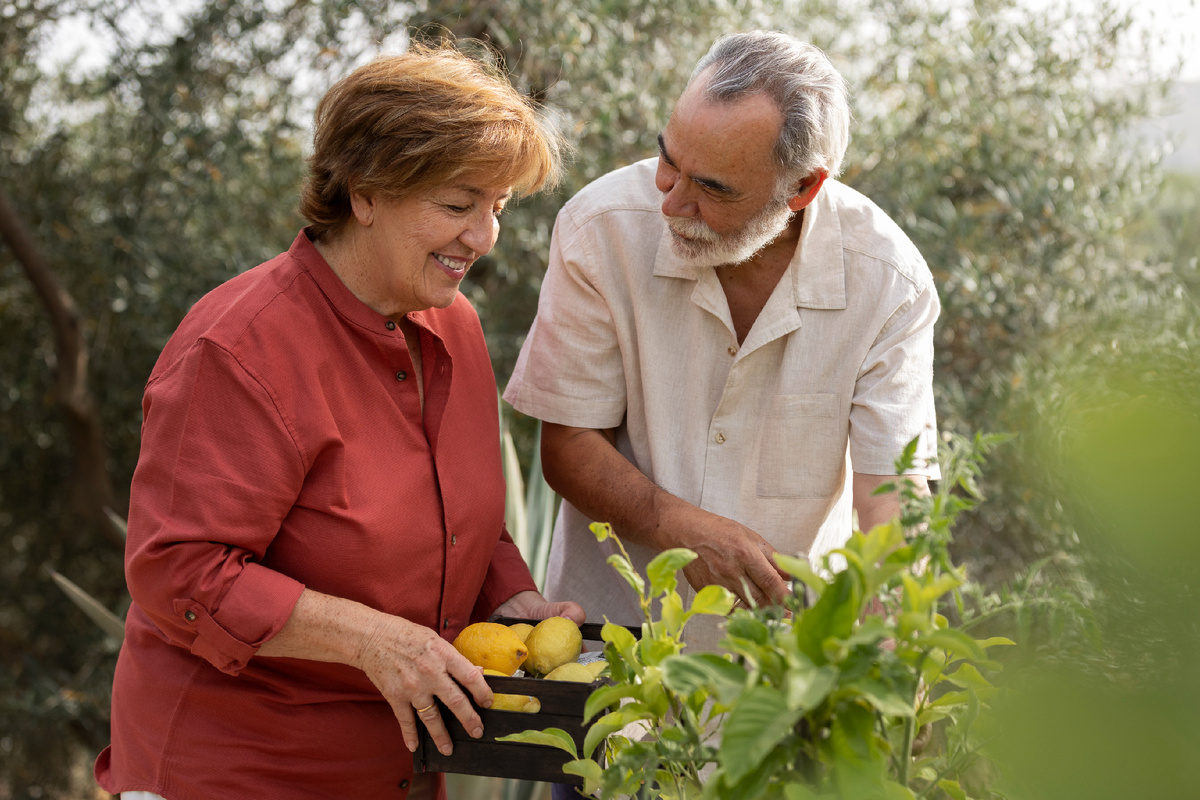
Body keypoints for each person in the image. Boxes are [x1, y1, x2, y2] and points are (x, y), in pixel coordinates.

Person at [94, 42, 584, 800]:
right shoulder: (238, 347)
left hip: (391, 770)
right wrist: (375, 641)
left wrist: (507, 596)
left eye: (498, 208)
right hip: (230, 772)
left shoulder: (455, 328)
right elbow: (178, 571)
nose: (484, 237)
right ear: (366, 193)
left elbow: (457, 512)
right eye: (458, 206)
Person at [504, 31, 940, 653]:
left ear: (802, 189)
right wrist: (679, 526)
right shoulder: (599, 229)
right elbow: (569, 444)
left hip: (787, 670)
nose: (672, 201)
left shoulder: (887, 281)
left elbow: (892, 494)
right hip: (615, 648)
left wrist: (895, 656)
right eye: (667, 160)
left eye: (712, 189)